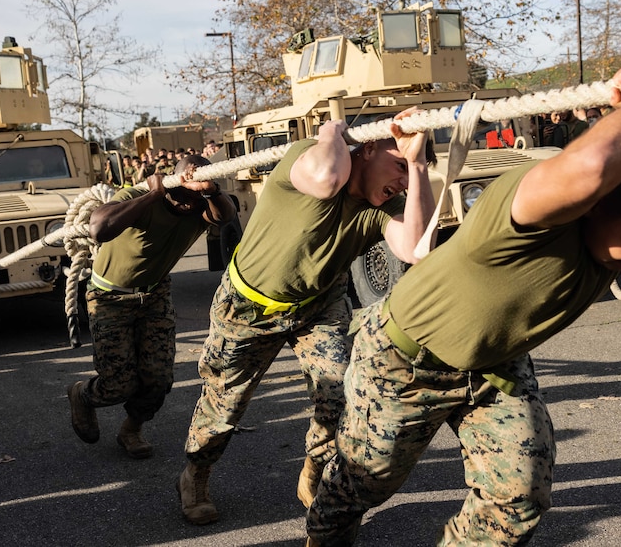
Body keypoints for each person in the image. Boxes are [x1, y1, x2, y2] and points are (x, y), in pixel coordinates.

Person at [305, 46, 621, 546]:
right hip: (404, 359)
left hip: (498, 364)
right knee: (364, 484)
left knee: (517, 499)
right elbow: (593, 165)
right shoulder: (535, 206)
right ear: (592, 207)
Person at [177, 107, 435, 526]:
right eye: (398, 166)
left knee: (339, 394)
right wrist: (332, 130)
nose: (402, 181)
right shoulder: (308, 157)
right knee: (224, 407)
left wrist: (418, 163)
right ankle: (195, 474)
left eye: (409, 172)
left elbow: (417, 249)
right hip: (247, 306)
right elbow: (326, 180)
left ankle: (314, 470)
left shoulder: (385, 206)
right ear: (366, 149)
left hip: (318, 306)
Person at [67, 156, 236, 459]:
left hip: (154, 295)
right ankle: (83, 394)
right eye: (181, 196)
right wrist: (154, 194)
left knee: (158, 379)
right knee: (118, 384)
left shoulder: (200, 207)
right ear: (169, 183)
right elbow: (99, 228)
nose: (187, 205)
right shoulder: (137, 196)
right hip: (109, 298)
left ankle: (131, 429)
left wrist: (209, 190)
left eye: (195, 198)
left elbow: (225, 216)